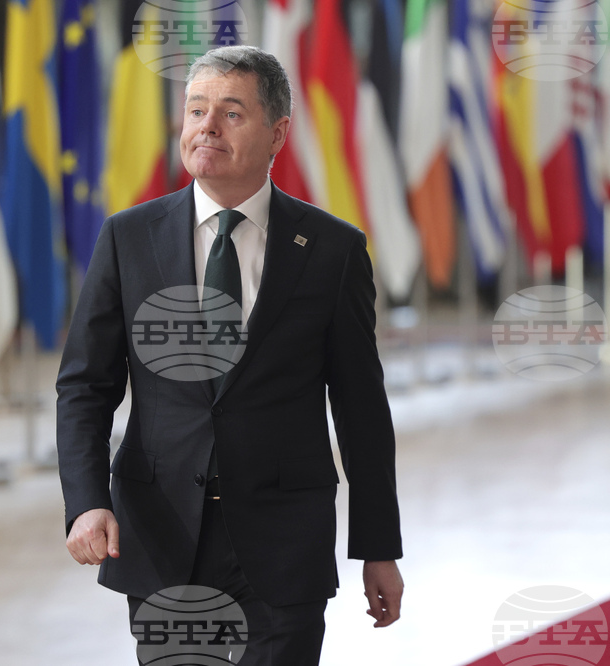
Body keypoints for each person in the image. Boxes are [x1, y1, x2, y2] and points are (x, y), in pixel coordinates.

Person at [56, 45, 403, 665]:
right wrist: (86, 501)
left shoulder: (332, 250)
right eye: (196, 110)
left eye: (231, 113)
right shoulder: (128, 238)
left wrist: (378, 546)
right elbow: (85, 386)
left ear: (278, 134)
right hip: (163, 536)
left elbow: (361, 408)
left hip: (284, 545)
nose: (207, 127)